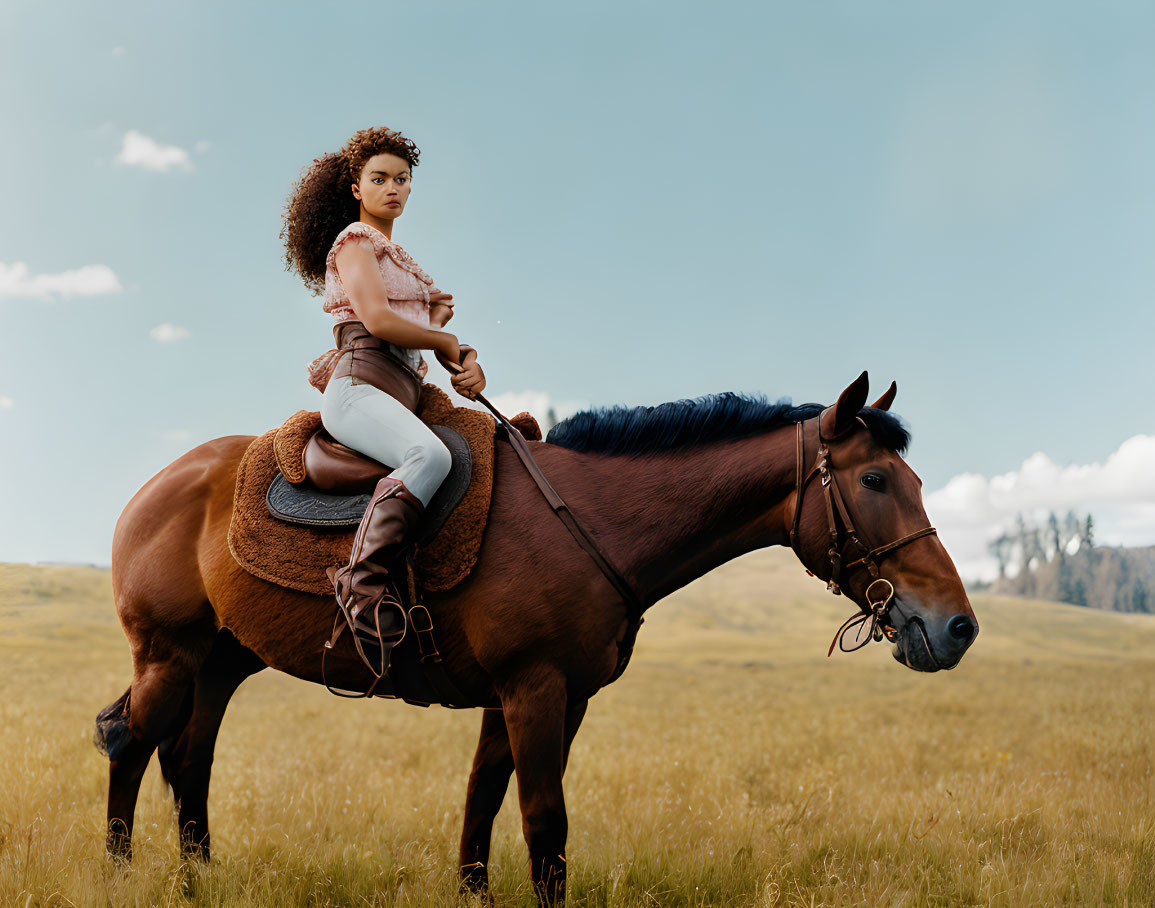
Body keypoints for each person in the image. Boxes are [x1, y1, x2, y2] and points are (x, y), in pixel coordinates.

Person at [281, 126, 485, 663]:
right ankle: (361, 580)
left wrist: (464, 359)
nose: (392, 188)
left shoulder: (406, 265)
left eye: (402, 179)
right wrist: (441, 335)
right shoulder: (354, 242)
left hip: (401, 387)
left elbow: (427, 348)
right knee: (428, 455)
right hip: (358, 387)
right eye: (379, 178)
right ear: (356, 188)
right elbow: (376, 319)